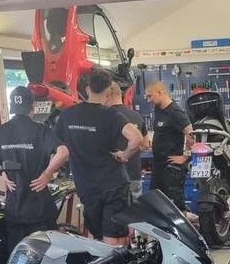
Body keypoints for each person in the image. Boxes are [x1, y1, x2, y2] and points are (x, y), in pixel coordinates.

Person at [0, 86, 69, 254]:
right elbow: (63, 152)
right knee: (46, 259)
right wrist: (46, 175)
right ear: (33, 106)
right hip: (40, 208)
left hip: (14, 210)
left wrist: (1, 170)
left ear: (12, 106)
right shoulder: (42, 130)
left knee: (17, 259)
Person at [55, 67, 143, 245]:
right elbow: (136, 139)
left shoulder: (67, 115)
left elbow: (59, 149)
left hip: (87, 188)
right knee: (115, 240)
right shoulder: (112, 115)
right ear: (108, 92)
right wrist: (125, 155)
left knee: (97, 239)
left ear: (87, 89)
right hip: (113, 186)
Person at [146, 82, 193, 212]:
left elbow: (191, 133)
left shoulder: (175, 112)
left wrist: (185, 157)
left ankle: (182, 223)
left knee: (175, 207)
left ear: (160, 92)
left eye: (150, 96)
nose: (148, 100)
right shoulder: (159, 109)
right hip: (158, 166)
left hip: (171, 168)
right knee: (156, 204)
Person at [107, 80, 147, 200]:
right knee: (135, 209)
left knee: (114, 210)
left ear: (107, 95)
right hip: (134, 174)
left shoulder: (104, 117)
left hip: (112, 177)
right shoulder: (136, 115)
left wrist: (123, 155)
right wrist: (130, 152)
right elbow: (145, 144)